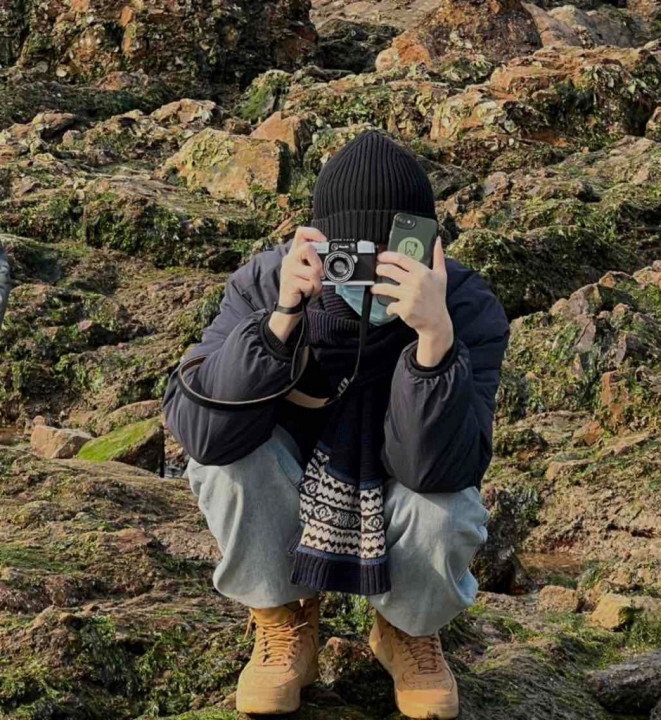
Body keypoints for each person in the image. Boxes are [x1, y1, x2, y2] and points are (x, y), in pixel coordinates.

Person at [163, 129, 510, 718]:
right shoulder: (266, 283)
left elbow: (443, 471)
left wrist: (434, 342)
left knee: (447, 505)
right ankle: (282, 617)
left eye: (391, 253)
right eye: (355, 253)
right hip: (291, 480)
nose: (370, 270)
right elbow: (203, 435)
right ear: (319, 243)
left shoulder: (465, 308)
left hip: (401, 483)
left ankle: (408, 628)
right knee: (226, 465)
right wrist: (280, 321)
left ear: (428, 246)